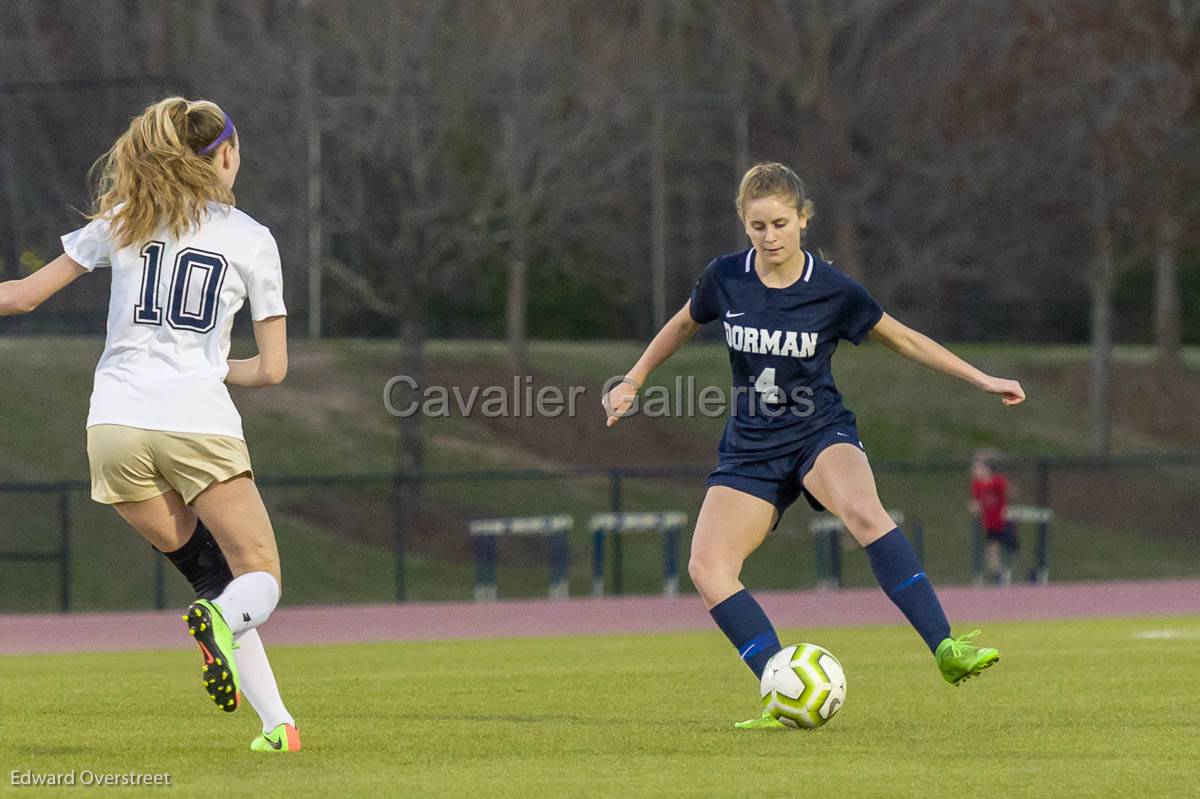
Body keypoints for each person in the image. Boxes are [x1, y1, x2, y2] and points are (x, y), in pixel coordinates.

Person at [603, 162, 1026, 728]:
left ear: (803, 219)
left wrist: (981, 378)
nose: (769, 236)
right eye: (757, 226)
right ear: (743, 224)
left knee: (864, 512)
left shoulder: (833, 291)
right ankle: (780, 689)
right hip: (751, 447)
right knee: (708, 567)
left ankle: (945, 647)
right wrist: (634, 379)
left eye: (780, 222)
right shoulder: (725, 277)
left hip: (818, 431)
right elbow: (682, 324)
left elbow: (902, 338)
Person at [0, 97, 300, 752]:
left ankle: (278, 726)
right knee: (259, 578)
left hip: (112, 426)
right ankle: (219, 623)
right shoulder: (251, 238)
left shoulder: (125, 219)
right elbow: (273, 370)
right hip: (196, 421)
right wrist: (210, 367)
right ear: (224, 154)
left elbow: (19, 296)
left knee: (212, 576)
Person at [970, 451, 1018, 584]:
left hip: (1003, 521)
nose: (974, 471)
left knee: (1012, 548)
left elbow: (1009, 493)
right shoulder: (977, 485)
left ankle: (1020, 573)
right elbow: (976, 503)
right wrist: (974, 506)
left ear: (986, 469)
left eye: (977, 468)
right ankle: (999, 576)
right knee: (992, 550)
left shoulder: (997, 481)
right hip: (991, 524)